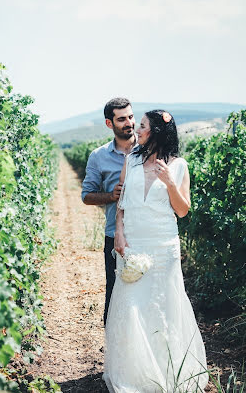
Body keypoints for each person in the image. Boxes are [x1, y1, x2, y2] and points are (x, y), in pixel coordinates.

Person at [102, 110, 208, 392]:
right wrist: (119, 234)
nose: (138, 128)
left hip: (163, 246)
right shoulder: (131, 160)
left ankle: (167, 370)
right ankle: (135, 374)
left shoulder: (179, 166)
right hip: (134, 244)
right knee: (133, 303)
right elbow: (121, 204)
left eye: (144, 125)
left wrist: (170, 183)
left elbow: (183, 211)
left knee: (164, 304)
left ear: (156, 133)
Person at [81, 97, 137, 327]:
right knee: (115, 295)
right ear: (109, 123)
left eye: (131, 117)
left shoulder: (149, 150)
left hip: (147, 234)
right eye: (121, 119)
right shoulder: (98, 156)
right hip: (115, 237)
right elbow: (87, 196)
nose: (128, 123)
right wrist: (110, 196)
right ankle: (116, 352)